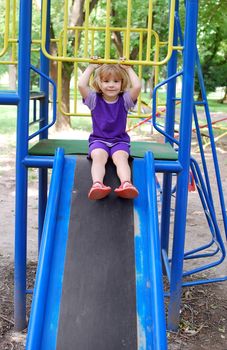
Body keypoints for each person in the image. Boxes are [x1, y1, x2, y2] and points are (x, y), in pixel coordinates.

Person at [78, 59, 141, 200]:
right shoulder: (94, 99)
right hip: (99, 140)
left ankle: (126, 184)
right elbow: (81, 85)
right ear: (99, 83)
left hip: (119, 141)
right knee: (99, 157)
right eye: (106, 81)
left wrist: (129, 69)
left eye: (116, 81)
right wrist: (91, 67)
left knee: (121, 158)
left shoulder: (125, 100)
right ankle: (97, 184)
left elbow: (136, 87)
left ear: (122, 83)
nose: (111, 85)